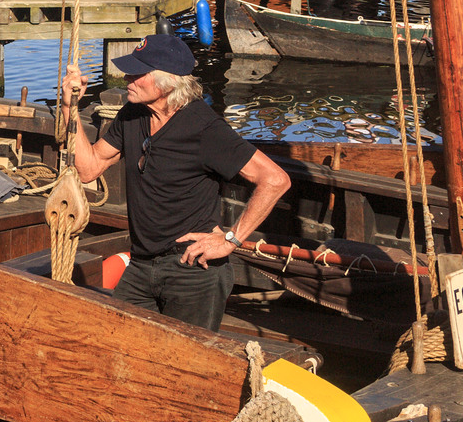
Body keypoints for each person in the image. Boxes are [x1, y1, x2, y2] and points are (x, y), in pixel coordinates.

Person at [59, 35, 291, 332]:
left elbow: (274, 179)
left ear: (166, 82)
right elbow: (89, 168)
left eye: (137, 73)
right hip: (141, 265)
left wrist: (231, 239)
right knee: (121, 344)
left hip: (192, 271)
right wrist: (70, 108)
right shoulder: (132, 114)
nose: (126, 77)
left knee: (188, 364)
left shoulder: (204, 127)